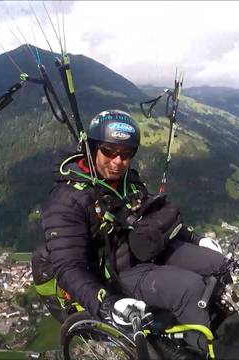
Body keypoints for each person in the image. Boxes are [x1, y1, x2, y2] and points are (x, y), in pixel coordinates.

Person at [40, 109, 228, 354]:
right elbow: (67, 267)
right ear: (93, 147)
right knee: (189, 289)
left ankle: (228, 334)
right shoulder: (67, 200)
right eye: (109, 151)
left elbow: (156, 218)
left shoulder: (130, 181)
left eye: (126, 154)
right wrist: (106, 303)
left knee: (218, 264)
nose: (118, 161)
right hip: (117, 274)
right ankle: (200, 352)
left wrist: (196, 239)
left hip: (148, 250)